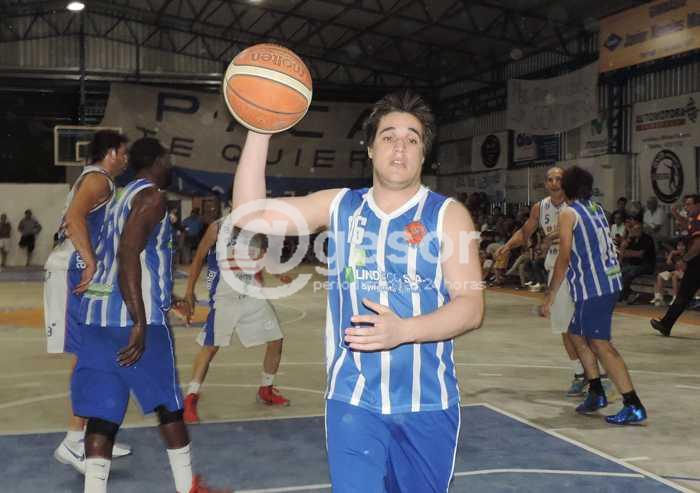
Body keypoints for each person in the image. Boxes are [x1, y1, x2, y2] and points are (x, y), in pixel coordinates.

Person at [232, 90, 484, 492]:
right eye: (388, 136)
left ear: (423, 154)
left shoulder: (448, 215)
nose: (399, 147)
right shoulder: (339, 206)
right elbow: (251, 215)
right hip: (353, 401)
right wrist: (260, 128)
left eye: (412, 139)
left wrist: (404, 330)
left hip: (427, 403)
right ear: (369, 148)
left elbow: (470, 307)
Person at [75, 138, 227, 493]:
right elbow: (128, 254)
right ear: (157, 161)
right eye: (168, 159)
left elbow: (129, 256)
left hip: (98, 317)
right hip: (132, 319)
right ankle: (188, 487)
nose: (171, 165)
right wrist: (140, 322)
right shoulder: (152, 197)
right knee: (168, 407)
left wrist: (166, 296)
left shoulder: (118, 198)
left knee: (103, 414)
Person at [44, 130, 132, 473]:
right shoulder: (98, 181)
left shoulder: (96, 180)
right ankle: (73, 440)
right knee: (92, 355)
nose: (125, 159)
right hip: (75, 270)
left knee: (100, 353)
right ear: (111, 153)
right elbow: (74, 218)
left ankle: (90, 435)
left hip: (78, 269)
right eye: (123, 153)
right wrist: (90, 260)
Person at [544, 165, 646, 425]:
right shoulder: (595, 208)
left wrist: (550, 295)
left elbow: (564, 257)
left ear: (566, 187)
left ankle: (632, 403)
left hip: (594, 286)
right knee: (576, 333)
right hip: (607, 281)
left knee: (601, 344)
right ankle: (596, 391)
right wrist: (558, 233)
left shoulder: (567, 213)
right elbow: (585, 233)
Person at [181, 219, 290, 424]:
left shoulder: (256, 226)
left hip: (251, 293)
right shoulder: (218, 227)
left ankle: (266, 389)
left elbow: (262, 257)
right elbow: (199, 257)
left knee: (276, 339)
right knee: (210, 347)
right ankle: (191, 397)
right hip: (224, 296)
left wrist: (278, 273)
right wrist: (189, 291)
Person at [497, 167, 592, 397]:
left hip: (580, 269)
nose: (554, 183)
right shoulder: (540, 207)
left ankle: (596, 374)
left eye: (558, 179)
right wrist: (508, 245)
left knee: (586, 326)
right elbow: (525, 232)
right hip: (556, 271)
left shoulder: (577, 205)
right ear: (546, 183)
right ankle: (580, 373)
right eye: (550, 179)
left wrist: (553, 235)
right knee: (564, 327)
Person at [651, 194, 700, 337]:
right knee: (683, 295)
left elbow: (698, 245)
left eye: (689, 204)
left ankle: (666, 324)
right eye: (685, 204)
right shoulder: (694, 220)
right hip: (696, 263)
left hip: (697, 263)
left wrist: (684, 260)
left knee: (683, 296)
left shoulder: (698, 219)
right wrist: (675, 213)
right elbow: (687, 225)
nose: (686, 207)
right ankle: (666, 324)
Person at [618, 218, 656, 304]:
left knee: (630, 272)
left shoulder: (647, 239)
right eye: (634, 229)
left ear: (641, 229)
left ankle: (623, 296)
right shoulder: (632, 239)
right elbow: (622, 253)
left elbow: (640, 254)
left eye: (638, 229)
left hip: (647, 265)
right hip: (634, 265)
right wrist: (628, 238)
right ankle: (630, 293)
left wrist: (629, 253)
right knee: (621, 272)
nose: (635, 231)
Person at [650, 240, 686, 306]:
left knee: (674, 276)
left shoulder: (687, 254)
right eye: (678, 246)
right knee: (660, 276)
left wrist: (678, 264)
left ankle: (675, 297)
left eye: (682, 246)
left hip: (684, 273)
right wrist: (671, 254)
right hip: (675, 271)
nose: (680, 247)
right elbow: (668, 263)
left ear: (685, 247)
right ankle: (659, 298)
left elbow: (684, 267)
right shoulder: (675, 254)